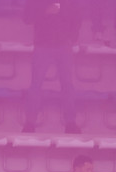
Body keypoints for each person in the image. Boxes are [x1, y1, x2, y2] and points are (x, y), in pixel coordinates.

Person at [23, 0, 84, 134]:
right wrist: (45, 11)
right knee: (36, 85)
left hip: (63, 45)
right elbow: (27, 18)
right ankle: (30, 123)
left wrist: (72, 37)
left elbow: (78, 15)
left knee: (67, 85)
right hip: (42, 44)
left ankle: (70, 123)